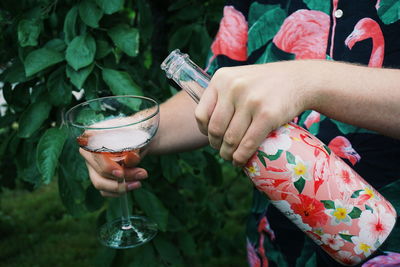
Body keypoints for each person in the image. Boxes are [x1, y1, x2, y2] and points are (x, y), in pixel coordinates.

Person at [81, 0, 400, 266]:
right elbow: (215, 95)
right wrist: (136, 130)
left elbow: (299, 82)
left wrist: (311, 80)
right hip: (277, 247)